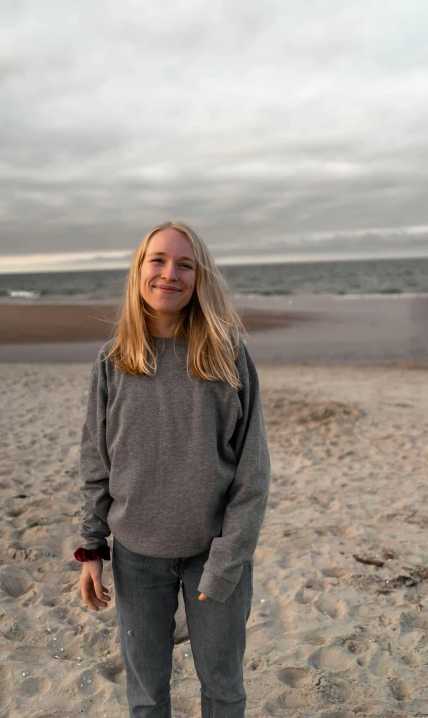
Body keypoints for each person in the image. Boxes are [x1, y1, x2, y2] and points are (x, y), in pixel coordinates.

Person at [75, 220, 271, 717]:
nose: (170, 274)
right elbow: (97, 462)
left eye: (185, 264)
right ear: (139, 270)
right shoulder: (114, 359)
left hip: (215, 555)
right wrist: (91, 548)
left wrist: (227, 559)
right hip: (137, 558)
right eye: (157, 260)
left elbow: (252, 472)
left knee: (223, 689)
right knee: (145, 696)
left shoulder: (226, 355)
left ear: (200, 277)